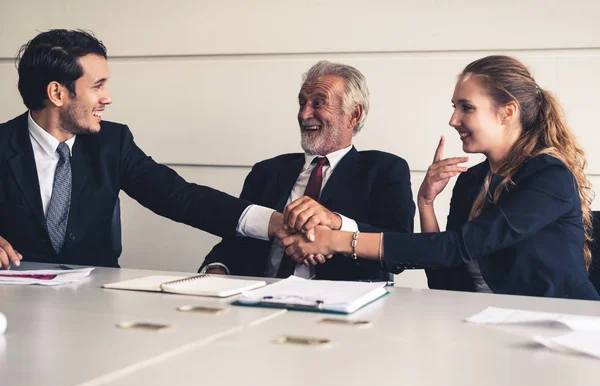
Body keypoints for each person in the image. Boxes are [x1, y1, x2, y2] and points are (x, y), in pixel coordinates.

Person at [280, 55, 600, 300]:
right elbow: (445, 277)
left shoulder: (550, 175)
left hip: (562, 323)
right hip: (483, 323)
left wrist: (337, 239)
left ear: (507, 112)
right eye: (454, 107)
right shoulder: (474, 180)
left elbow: (455, 246)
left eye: (466, 108)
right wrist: (427, 202)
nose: (453, 119)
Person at [0, 29, 285, 269]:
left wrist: (275, 223)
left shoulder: (112, 142)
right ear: (57, 93)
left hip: (93, 306)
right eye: (97, 86)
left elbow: (180, 196)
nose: (107, 98)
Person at [200, 61, 415, 281]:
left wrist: (337, 227)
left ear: (354, 115)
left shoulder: (384, 170)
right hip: (259, 297)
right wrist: (216, 269)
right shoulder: (267, 171)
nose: (304, 114)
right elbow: (236, 239)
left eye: (318, 103)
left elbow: (399, 247)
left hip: (342, 305)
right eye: (302, 103)